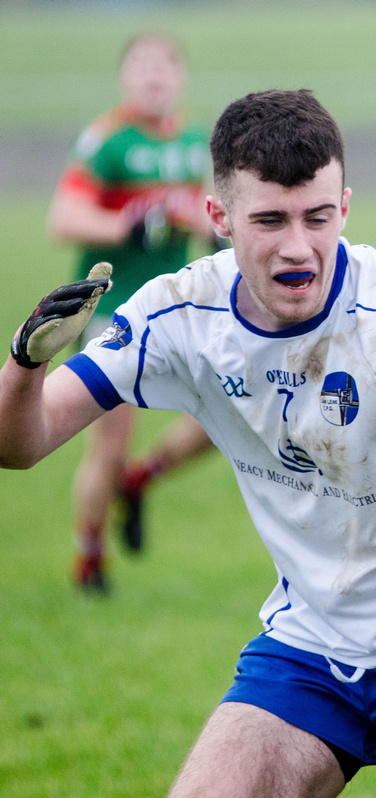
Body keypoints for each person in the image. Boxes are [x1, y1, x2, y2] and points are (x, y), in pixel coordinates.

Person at [1, 88, 376, 797]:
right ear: (218, 217)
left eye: (318, 218)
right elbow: (23, 444)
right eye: (270, 221)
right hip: (314, 645)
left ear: (344, 207)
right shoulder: (179, 316)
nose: (298, 247)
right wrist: (24, 366)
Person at [46, 32, 215, 590]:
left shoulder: (194, 140)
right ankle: (89, 559)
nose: (153, 76)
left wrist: (216, 234)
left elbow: (203, 214)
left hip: (180, 304)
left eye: (164, 66)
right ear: (125, 78)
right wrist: (126, 226)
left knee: (225, 413)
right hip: (113, 306)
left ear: (180, 77)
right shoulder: (106, 141)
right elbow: (63, 219)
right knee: (110, 442)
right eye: (141, 67)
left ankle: (142, 478)